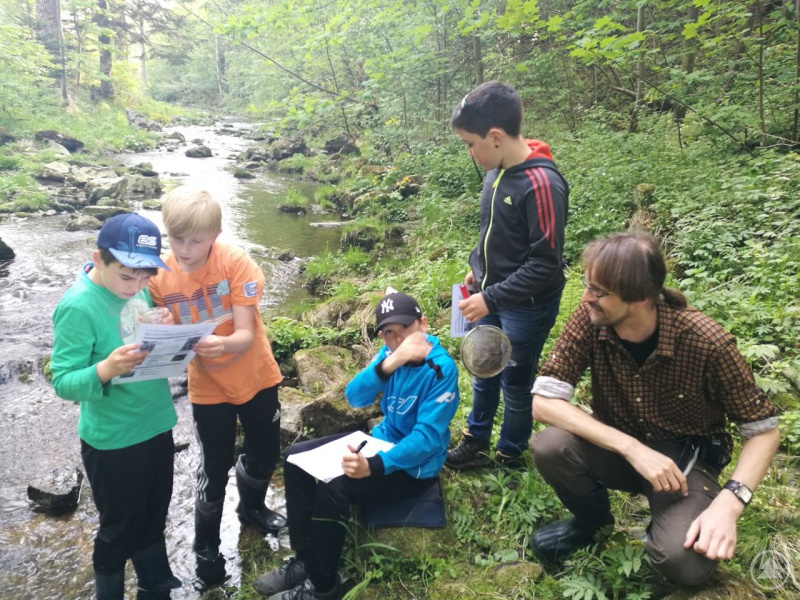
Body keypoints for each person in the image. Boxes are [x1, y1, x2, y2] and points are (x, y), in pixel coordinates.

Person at [529, 231, 780, 585]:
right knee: (550, 446)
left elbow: (764, 431)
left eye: (598, 291)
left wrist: (730, 503)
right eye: (587, 286)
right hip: (617, 445)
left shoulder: (706, 341)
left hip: (684, 461)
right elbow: (543, 403)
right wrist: (631, 448)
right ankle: (591, 524)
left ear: (642, 297)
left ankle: (674, 520)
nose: (586, 298)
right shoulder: (591, 320)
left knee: (683, 563)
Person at [254, 291, 460, 600]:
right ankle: (305, 559)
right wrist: (389, 364)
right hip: (379, 442)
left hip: (414, 468)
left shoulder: (441, 370)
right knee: (296, 459)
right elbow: (355, 397)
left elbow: (427, 439)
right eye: (389, 333)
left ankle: (324, 586)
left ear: (424, 324)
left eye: (405, 329)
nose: (397, 339)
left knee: (335, 487)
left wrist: (373, 467)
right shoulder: (388, 355)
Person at [147, 186, 287, 587]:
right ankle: (205, 544)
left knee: (264, 452)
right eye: (177, 239)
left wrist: (220, 342)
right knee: (213, 466)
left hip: (256, 373)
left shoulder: (235, 262)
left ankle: (252, 508)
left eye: (196, 240)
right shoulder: (159, 275)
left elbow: (244, 333)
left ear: (216, 234)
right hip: (208, 386)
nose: (186, 249)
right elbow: (151, 324)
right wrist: (162, 327)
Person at [51, 213, 181, 599]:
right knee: (119, 527)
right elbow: (63, 381)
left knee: (155, 514)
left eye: (146, 276)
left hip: (156, 423)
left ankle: (154, 586)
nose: (137, 285)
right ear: (99, 258)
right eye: (127, 276)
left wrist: (165, 335)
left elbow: (138, 336)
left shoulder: (136, 289)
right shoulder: (78, 306)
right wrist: (106, 368)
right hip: (113, 440)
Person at [446, 80, 569, 470]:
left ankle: (510, 453)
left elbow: (545, 263)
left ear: (495, 137)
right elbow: (494, 233)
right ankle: (476, 441)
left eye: (470, 144)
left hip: (526, 307)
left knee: (514, 382)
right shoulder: (495, 171)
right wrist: (477, 268)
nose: (469, 152)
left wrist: (491, 297)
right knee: (484, 368)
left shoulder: (542, 185)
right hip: (491, 293)